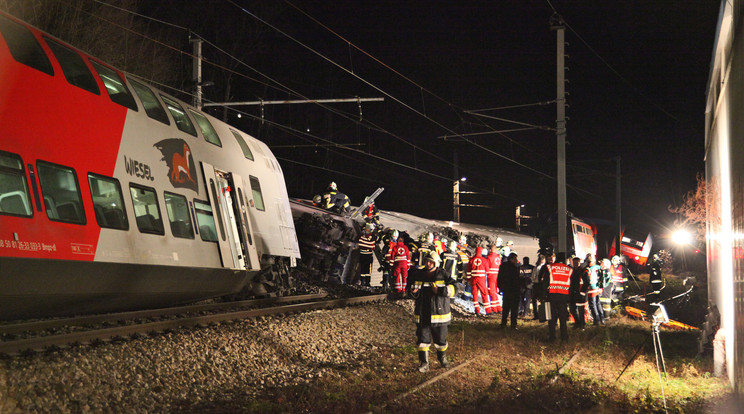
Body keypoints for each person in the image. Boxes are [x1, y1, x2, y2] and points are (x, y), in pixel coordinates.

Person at [407, 252, 459, 372]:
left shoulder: (443, 274)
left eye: (431, 262)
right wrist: (412, 292)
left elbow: (455, 288)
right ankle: (424, 363)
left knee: (440, 340)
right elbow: (409, 289)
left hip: (439, 314)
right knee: (422, 340)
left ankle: (442, 359)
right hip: (422, 312)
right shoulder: (418, 274)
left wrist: (440, 290)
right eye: (426, 261)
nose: (428, 263)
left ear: (436, 263)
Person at [539, 252, 572, 342]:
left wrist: (543, 295)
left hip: (552, 295)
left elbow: (544, 283)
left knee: (551, 317)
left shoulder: (550, 267)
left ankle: (552, 337)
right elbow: (571, 284)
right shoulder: (569, 269)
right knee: (562, 318)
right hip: (564, 296)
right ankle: (564, 337)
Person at [498, 252, 521, 329]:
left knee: (505, 308)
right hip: (514, 291)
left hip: (506, 290)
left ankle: (503, 324)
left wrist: (500, 287)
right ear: (512, 259)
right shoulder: (514, 268)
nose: (516, 260)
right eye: (515, 258)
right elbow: (516, 280)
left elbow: (499, 278)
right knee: (514, 309)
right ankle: (513, 325)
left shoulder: (503, 266)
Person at [467, 246, 491, 316]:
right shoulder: (484, 260)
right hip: (481, 279)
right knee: (484, 294)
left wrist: (469, 280)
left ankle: (477, 310)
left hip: (474, 279)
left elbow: (468, 271)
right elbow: (487, 271)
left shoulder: (471, 260)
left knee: (475, 294)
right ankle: (488, 311)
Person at [569, 256, 589, 330]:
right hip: (573, 293)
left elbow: (587, 283)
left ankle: (582, 325)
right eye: (574, 262)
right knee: (572, 309)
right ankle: (577, 323)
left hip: (580, 294)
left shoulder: (583, 271)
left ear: (579, 263)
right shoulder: (571, 271)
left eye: (577, 262)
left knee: (581, 311)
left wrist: (583, 292)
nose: (576, 264)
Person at [585, 254, 605, 326]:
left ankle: (596, 320)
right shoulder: (598, 267)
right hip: (598, 288)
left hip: (592, 288)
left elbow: (587, 279)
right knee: (598, 303)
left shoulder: (589, 269)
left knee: (593, 305)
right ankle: (602, 319)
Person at [485, 245, 502, 314]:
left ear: (490, 250)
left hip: (491, 276)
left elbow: (486, 267)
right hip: (497, 276)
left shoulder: (489, 257)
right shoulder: (498, 257)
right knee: (495, 291)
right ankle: (498, 307)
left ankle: (494, 308)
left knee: (491, 292)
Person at [530, 254, 546, 320]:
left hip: (537, 284)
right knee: (541, 300)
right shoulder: (542, 267)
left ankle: (537, 314)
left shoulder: (536, 267)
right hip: (540, 285)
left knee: (535, 300)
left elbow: (533, 277)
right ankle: (541, 314)